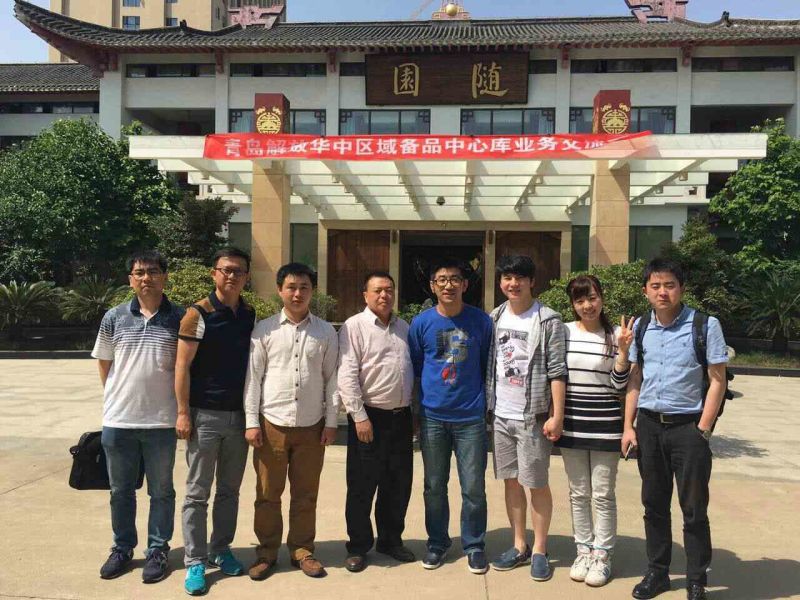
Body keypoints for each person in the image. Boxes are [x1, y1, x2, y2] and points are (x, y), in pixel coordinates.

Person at [623, 258, 729, 600]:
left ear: (681, 288)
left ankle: (696, 579)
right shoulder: (642, 326)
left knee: (694, 508)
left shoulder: (704, 324)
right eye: (655, 286)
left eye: (669, 285)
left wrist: (703, 429)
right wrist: (628, 426)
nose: (662, 292)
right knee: (653, 504)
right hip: (649, 426)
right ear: (645, 291)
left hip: (688, 429)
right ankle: (658, 572)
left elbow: (717, 380)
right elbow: (635, 379)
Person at [93, 250, 184, 583]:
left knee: (161, 491)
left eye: (154, 271)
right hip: (119, 421)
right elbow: (105, 363)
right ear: (130, 279)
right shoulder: (114, 317)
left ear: (165, 276)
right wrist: (119, 398)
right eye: (140, 273)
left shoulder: (181, 318)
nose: (147, 278)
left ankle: (157, 550)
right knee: (120, 491)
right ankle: (122, 548)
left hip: (162, 422)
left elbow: (186, 368)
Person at [243, 262, 339, 580]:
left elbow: (332, 379)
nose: (298, 294)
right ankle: (266, 552)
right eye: (291, 287)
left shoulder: (325, 332)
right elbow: (253, 379)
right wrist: (251, 422)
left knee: (305, 495)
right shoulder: (264, 330)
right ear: (280, 290)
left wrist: (331, 421)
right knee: (267, 494)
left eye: (304, 288)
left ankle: (302, 550)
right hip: (271, 424)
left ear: (313, 291)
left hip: (312, 426)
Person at [175, 247, 256, 595]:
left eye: (238, 271)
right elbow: (182, 366)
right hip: (204, 416)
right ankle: (195, 560)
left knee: (229, 491)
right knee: (197, 492)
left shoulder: (248, 314)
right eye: (226, 270)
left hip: (239, 416)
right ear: (214, 273)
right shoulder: (198, 314)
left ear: (246, 277)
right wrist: (182, 412)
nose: (232, 276)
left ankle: (221, 549)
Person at [408, 257, 493, 574]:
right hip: (433, 417)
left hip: (470, 418)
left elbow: (486, 365)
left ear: (465, 285)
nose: (448, 285)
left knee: (473, 487)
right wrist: (416, 413)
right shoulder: (422, 323)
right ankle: (437, 543)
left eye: (455, 279)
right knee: (434, 485)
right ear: (433, 286)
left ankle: (474, 545)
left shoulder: (481, 321)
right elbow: (416, 368)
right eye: (441, 279)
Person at [484, 255, 566, 582]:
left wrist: (557, 415)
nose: (513, 283)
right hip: (501, 415)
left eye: (520, 278)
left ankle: (541, 549)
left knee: (536, 483)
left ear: (532, 281)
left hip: (532, 416)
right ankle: (520, 544)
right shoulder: (495, 317)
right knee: (511, 481)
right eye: (507, 277)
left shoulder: (548, 320)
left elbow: (558, 371)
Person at [555, 275, 633, 587]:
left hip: (605, 425)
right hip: (572, 424)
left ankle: (603, 555)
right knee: (578, 493)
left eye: (592, 297)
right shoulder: (563, 332)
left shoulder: (616, 335)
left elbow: (619, 386)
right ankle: (583, 551)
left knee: (602, 494)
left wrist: (623, 353)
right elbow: (556, 374)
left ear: (602, 298)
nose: (587, 305)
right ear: (573, 304)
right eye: (580, 300)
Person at [338, 271, 415, 573]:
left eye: (389, 290)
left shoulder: (404, 327)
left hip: (401, 417)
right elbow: (347, 373)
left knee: (397, 484)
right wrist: (359, 416)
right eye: (378, 290)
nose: (384, 295)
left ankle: (390, 540)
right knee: (362, 485)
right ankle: (358, 546)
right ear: (365, 295)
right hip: (369, 418)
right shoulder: (354, 326)